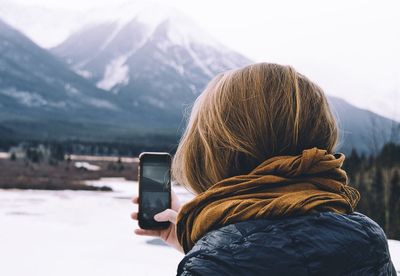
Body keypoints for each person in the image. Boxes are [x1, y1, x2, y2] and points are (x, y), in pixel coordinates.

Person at [131, 63, 396, 275]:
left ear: (215, 150)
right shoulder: (367, 239)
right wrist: (201, 247)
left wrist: (206, 256)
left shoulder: (214, 265)